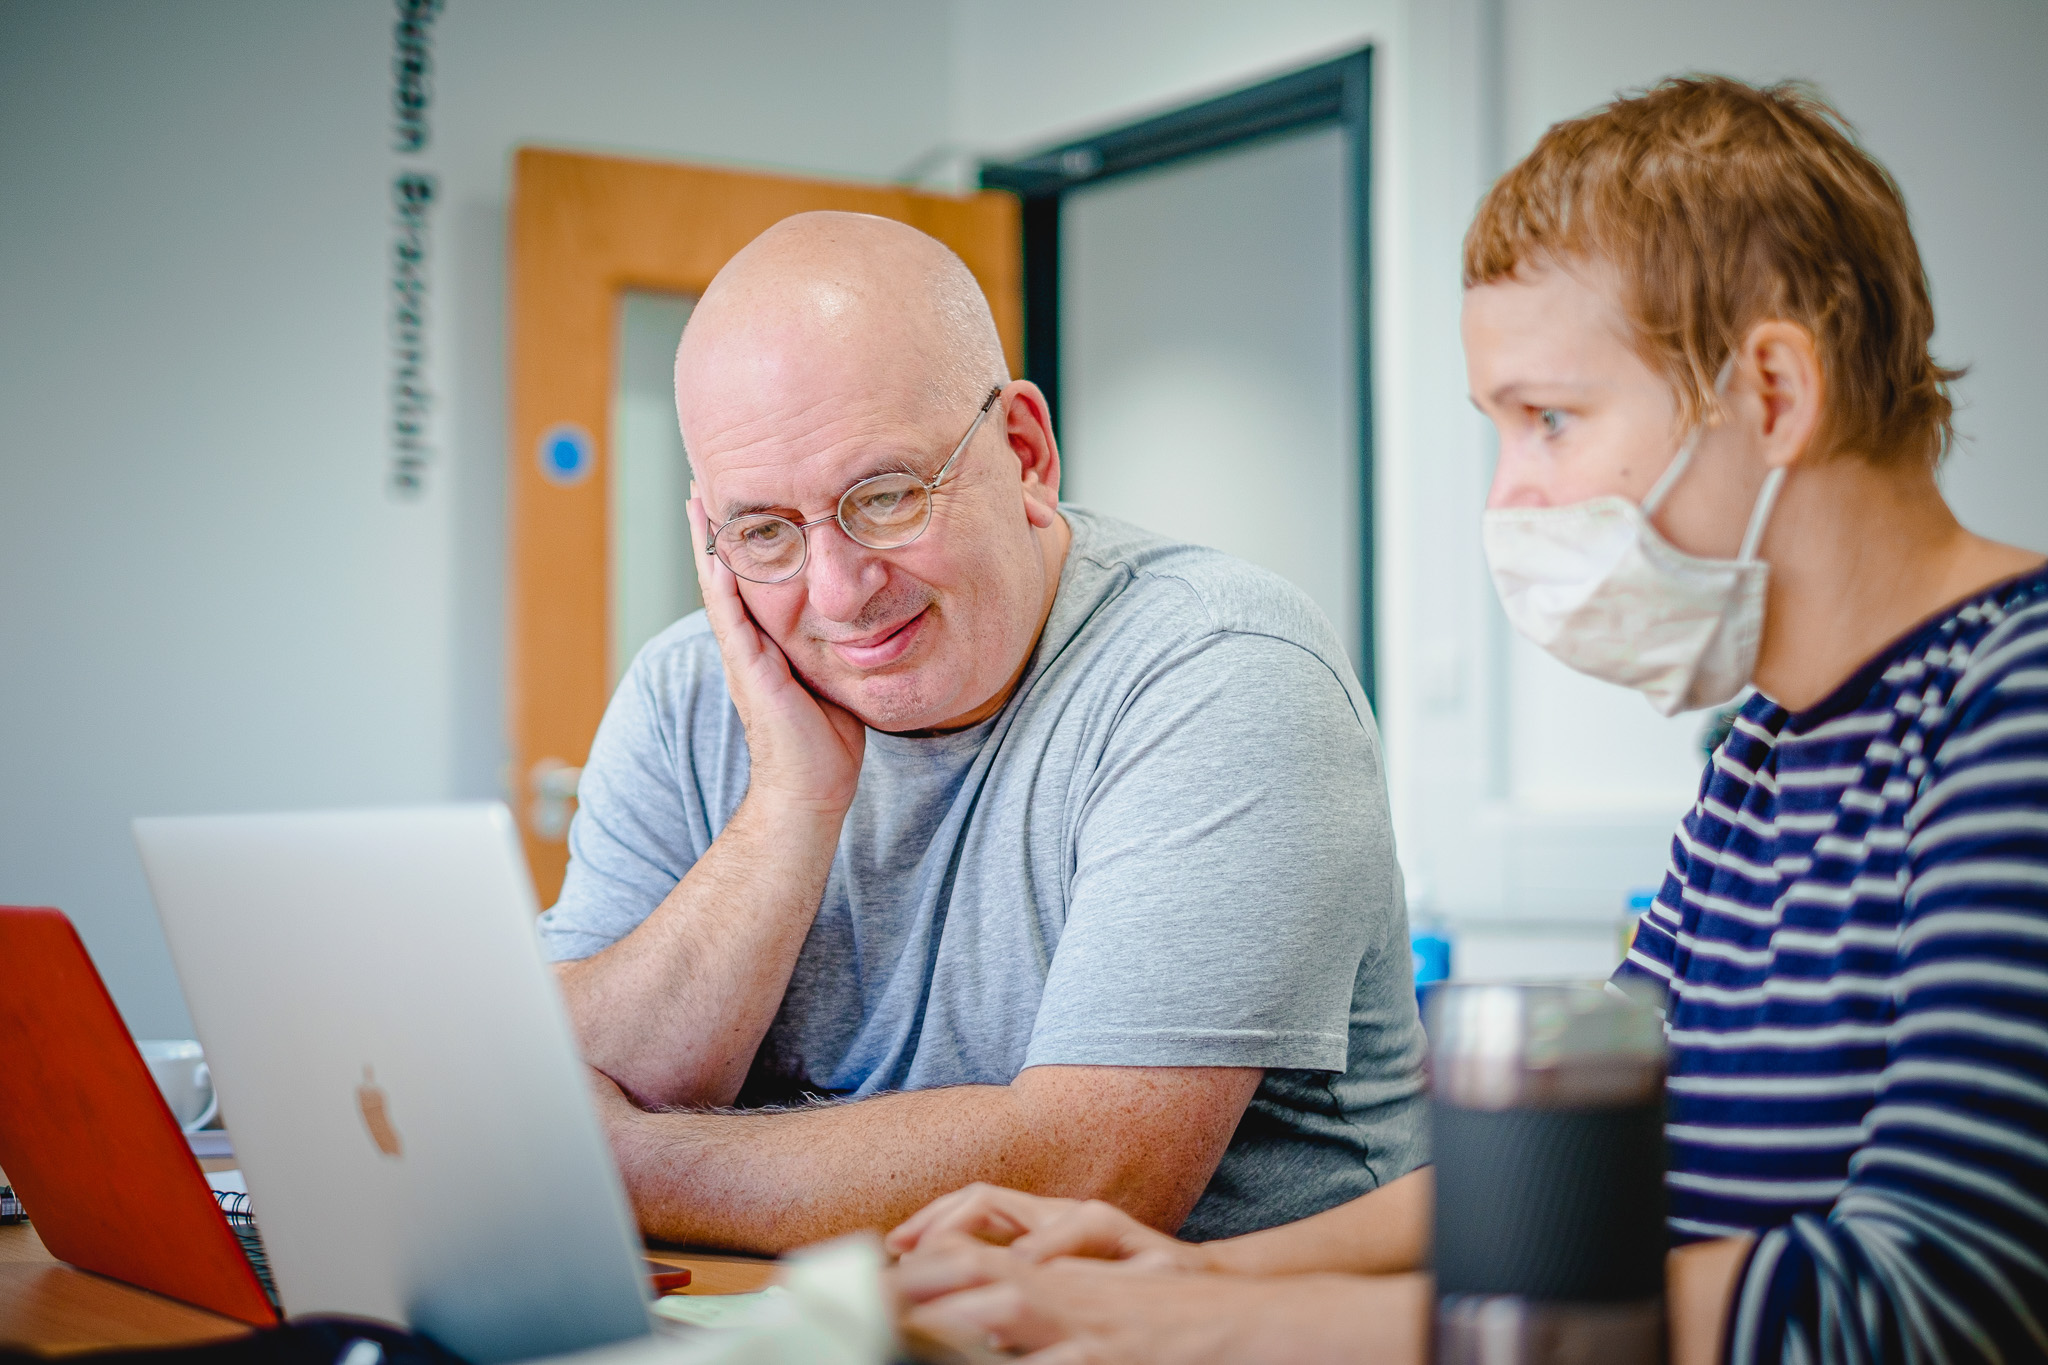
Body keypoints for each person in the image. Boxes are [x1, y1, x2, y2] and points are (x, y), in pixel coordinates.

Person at [893, 76, 2048, 1365]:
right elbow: (1596, 1157)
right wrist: (1187, 1266)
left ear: (1772, 393)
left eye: (1548, 419)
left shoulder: (2015, 709)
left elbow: (1941, 1299)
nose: (1513, 495)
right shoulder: (1762, 748)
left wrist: (1220, 1321)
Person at [538, 211, 1427, 1253]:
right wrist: (789, 804)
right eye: (765, 531)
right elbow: (562, 1071)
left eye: (884, 497)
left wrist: (622, 1164)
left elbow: (1090, 1178)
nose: (836, 592)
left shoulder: (1218, 666)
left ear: (1023, 453)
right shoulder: (687, 689)